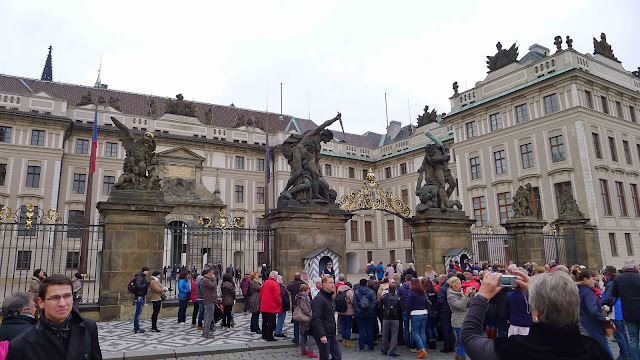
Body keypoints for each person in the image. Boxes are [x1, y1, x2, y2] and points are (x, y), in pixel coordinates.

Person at [461, 271, 613, 360]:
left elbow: (468, 337)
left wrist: (481, 297)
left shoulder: (512, 350)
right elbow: (577, 326)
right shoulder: (595, 349)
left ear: (535, 305)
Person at [6, 274, 102, 359]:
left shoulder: (89, 327)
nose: (62, 303)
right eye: (54, 298)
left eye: (67, 296)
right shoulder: (21, 344)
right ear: (41, 302)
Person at [606, 259, 640, 360]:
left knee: (633, 339)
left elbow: (614, 294)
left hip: (628, 312)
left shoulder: (619, 278)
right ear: (635, 267)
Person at [575, 269, 612, 355]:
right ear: (586, 279)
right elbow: (593, 311)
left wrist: (600, 307)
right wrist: (603, 318)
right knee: (605, 351)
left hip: (582, 323)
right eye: (592, 278)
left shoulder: (577, 290)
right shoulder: (588, 292)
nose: (594, 281)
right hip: (592, 325)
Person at [602, 265, 632, 360]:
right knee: (623, 334)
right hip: (621, 309)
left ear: (607, 274)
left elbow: (609, 297)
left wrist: (601, 304)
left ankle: (624, 355)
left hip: (615, 311)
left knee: (619, 335)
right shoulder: (618, 281)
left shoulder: (612, 283)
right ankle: (628, 353)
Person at [311, 276, 342, 360]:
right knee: (324, 357)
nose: (333, 285)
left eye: (333, 282)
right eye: (330, 282)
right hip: (323, 333)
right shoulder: (319, 299)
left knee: (337, 356)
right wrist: (322, 335)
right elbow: (316, 318)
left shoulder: (330, 297)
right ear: (324, 284)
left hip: (331, 332)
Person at [448, 276, 474, 360]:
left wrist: (471, 295)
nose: (461, 285)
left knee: (461, 343)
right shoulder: (451, 296)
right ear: (453, 286)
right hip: (458, 320)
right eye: (458, 284)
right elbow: (460, 305)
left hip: (464, 318)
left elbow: (468, 303)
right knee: (462, 343)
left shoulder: (460, 292)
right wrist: (466, 295)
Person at [353, 278, 377, 352]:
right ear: (366, 283)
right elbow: (374, 302)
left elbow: (354, 303)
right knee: (369, 330)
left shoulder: (356, 292)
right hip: (370, 314)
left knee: (361, 330)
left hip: (360, 314)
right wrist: (369, 310)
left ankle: (361, 347)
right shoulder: (371, 292)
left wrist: (359, 310)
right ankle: (370, 347)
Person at [406, 278, 428, 358]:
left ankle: (422, 349)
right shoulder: (423, 292)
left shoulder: (412, 293)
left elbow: (409, 305)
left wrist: (408, 314)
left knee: (415, 333)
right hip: (424, 312)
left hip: (415, 313)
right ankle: (422, 348)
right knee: (422, 332)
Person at [380, 283, 403, 357]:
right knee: (394, 335)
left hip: (386, 317)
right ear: (395, 289)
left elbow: (379, 306)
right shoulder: (398, 297)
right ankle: (392, 350)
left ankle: (384, 348)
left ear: (388, 289)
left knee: (385, 334)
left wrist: (383, 313)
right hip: (395, 318)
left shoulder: (384, 297)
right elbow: (401, 308)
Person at [296, 284, 317, 358]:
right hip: (306, 318)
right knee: (310, 334)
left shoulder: (300, 297)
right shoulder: (303, 298)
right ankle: (310, 351)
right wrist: (310, 314)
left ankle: (303, 350)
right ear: (304, 290)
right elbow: (304, 308)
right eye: (307, 290)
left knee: (303, 333)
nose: (308, 291)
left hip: (303, 318)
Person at [260, 271, 282, 341]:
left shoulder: (265, 282)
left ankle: (264, 335)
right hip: (272, 306)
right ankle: (269, 336)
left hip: (264, 306)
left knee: (264, 321)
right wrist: (279, 304)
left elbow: (261, 294)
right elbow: (277, 296)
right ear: (274, 276)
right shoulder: (275, 284)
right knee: (271, 322)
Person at [437, 273, 455, 353]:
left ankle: (447, 346)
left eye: (439, 278)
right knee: (450, 328)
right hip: (451, 309)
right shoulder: (451, 287)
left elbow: (440, 300)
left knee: (445, 328)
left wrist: (438, 307)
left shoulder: (442, 288)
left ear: (443, 279)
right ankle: (452, 345)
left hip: (444, 310)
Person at [287, 272, 305, 344]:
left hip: (295, 304)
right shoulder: (303, 284)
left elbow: (288, 287)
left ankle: (296, 338)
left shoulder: (291, 284)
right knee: (303, 322)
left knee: (296, 322)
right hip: (303, 304)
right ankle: (304, 337)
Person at [201, 267, 218, 339]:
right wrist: (214, 279)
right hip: (209, 300)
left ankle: (206, 331)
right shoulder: (206, 280)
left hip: (209, 299)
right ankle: (206, 333)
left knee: (207, 316)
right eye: (212, 273)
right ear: (208, 273)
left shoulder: (206, 280)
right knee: (209, 317)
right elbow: (213, 286)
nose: (213, 274)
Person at [336, 281, 355, 347]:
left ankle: (344, 340)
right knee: (348, 327)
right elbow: (353, 301)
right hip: (348, 311)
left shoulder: (339, 290)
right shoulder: (349, 291)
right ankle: (348, 341)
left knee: (343, 326)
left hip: (341, 311)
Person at [132, 266, 150, 333]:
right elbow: (138, 286)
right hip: (139, 296)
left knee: (139, 312)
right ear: (144, 271)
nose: (148, 272)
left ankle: (137, 327)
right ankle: (136, 328)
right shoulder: (139, 277)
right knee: (138, 313)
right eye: (147, 271)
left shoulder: (141, 277)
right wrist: (146, 284)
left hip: (141, 296)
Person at [397, 274, 413, 349]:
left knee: (406, 326)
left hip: (404, 308)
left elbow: (399, 297)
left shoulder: (401, 288)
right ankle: (413, 342)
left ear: (405, 279)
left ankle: (407, 342)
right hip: (413, 308)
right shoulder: (414, 286)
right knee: (413, 326)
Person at [423, 277, 438, 350]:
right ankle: (434, 340)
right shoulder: (433, 290)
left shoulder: (425, 291)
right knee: (434, 326)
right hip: (433, 309)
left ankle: (431, 341)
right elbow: (436, 300)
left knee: (428, 327)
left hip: (427, 310)